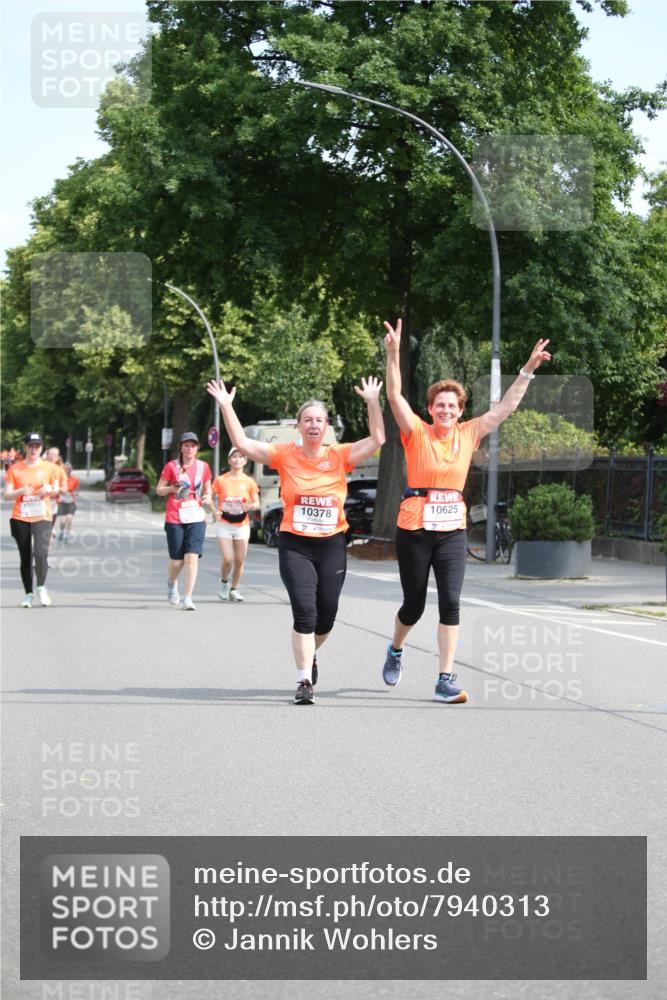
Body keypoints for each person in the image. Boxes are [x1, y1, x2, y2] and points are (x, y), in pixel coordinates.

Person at [381, 318, 551, 703]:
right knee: (413, 605)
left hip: (451, 528)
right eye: (439, 405)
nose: (446, 410)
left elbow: (505, 408)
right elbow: (394, 396)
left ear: (460, 411)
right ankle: (395, 648)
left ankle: (445, 678)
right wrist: (393, 354)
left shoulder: (470, 432)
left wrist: (527, 369)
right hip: (414, 527)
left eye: (452, 406)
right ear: (429, 409)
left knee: (451, 601)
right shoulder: (415, 431)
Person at [207, 376, 385, 705]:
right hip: (296, 545)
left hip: (331, 543)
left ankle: (309, 654)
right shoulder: (283, 453)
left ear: (326, 427)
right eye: (308, 420)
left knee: (327, 614)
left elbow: (377, 438)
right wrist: (227, 406)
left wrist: (373, 401)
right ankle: (304, 680)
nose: (313, 425)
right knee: (304, 612)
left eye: (319, 420)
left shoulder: (340, 455)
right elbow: (244, 445)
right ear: (299, 427)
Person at [3, 432, 66, 607]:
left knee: (41, 554)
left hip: (42, 516)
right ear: (25, 447)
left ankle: (41, 587)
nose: (34, 449)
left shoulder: (50, 468)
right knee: (25, 557)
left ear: (41, 448)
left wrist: (49, 490)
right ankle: (28, 594)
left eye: (37, 446)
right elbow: (6, 495)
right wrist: (20, 491)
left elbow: (57, 490)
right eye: (31, 446)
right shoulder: (15, 469)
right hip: (20, 517)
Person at [156, 432, 213, 611]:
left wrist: (207, 497)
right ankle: (172, 583)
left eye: (193, 445)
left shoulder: (204, 467)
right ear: (180, 447)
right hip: (175, 516)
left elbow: (208, 490)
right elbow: (159, 490)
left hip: (196, 516)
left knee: (192, 557)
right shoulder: (172, 466)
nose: (190, 449)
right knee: (177, 561)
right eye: (186, 445)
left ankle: (188, 598)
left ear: (197, 448)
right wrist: (172, 488)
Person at [212, 446, 260, 602]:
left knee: (240, 560)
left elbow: (256, 502)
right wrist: (214, 510)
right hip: (224, 524)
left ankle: (234, 589)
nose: (237, 459)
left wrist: (249, 506)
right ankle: (224, 582)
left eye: (240, 457)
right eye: (234, 457)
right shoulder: (221, 480)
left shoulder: (249, 481)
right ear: (229, 460)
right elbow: (209, 496)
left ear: (245, 461)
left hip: (242, 524)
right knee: (228, 558)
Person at [55, 462, 80, 544]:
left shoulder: (75, 479)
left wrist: (76, 493)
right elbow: (56, 489)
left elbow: (77, 489)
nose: (67, 470)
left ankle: (66, 535)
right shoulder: (59, 479)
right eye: (66, 469)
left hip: (71, 501)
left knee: (69, 518)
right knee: (62, 521)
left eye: (69, 469)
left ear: (71, 470)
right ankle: (62, 531)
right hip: (61, 501)